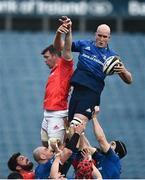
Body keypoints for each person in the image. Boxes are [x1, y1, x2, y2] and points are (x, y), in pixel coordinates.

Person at [54, 16, 133, 126]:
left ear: (109, 38)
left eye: (104, 37)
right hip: (77, 90)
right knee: (70, 128)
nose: (101, 39)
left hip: (91, 92)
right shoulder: (85, 45)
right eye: (99, 35)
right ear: (95, 34)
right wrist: (59, 34)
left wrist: (123, 71)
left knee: (76, 124)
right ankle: (77, 143)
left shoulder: (112, 57)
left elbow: (129, 80)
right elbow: (61, 47)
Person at [41, 17, 74, 147]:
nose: (45, 60)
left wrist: (66, 33)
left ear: (55, 56)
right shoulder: (54, 70)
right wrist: (58, 33)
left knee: (54, 151)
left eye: (46, 57)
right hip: (47, 113)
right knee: (45, 145)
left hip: (57, 113)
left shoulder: (64, 66)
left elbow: (67, 48)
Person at [89, 106, 127, 179]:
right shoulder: (102, 157)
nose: (108, 144)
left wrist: (94, 117)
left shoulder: (114, 158)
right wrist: (79, 131)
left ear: (116, 153)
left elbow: (101, 139)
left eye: (112, 144)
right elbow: (86, 148)